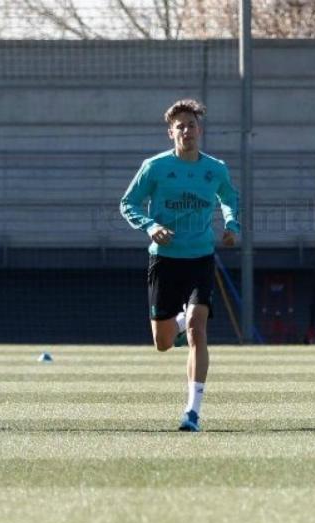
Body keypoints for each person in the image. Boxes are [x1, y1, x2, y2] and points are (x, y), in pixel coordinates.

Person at [120, 99, 240, 432]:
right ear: (171, 132)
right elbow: (128, 203)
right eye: (180, 126)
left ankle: (192, 412)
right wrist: (149, 225)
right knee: (162, 342)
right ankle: (181, 317)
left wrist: (232, 226)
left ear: (199, 130)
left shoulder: (215, 169)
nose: (186, 130)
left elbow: (230, 198)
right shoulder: (155, 167)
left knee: (198, 331)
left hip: (201, 257)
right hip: (164, 259)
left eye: (191, 125)